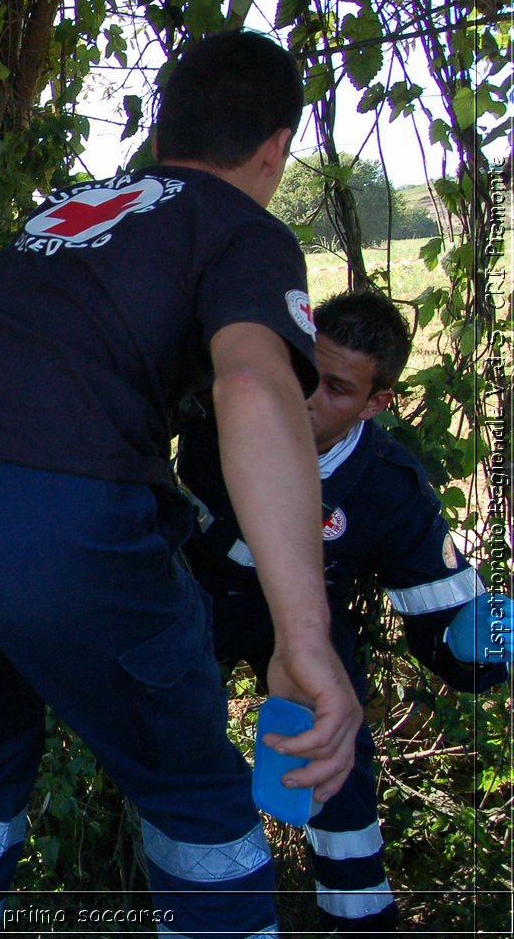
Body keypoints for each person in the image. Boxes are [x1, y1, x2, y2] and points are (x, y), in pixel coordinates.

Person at [0, 30, 364, 938]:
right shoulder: (241, 226)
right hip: (50, 511)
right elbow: (253, 384)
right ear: (275, 150)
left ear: (164, 129)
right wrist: (305, 633)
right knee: (193, 785)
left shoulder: (74, 208)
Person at [176, 289, 509, 936]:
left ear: (376, 403)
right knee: (174, 743)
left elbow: (444, 619)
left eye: (334, 387)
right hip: (184, 593)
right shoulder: (221, 401)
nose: (304, 397)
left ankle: (358, 918)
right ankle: (209, 903)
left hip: (302, 621)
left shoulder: (388, 487)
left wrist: (475, 644)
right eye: (303, 369)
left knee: (338, 751)